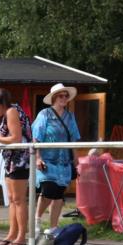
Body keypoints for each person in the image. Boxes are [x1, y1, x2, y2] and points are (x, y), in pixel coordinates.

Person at [0, 88, 33, 245]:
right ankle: (12, 234)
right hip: (11, 160)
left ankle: (21, 236)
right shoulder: (9, 112)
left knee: (19, 200)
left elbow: (16, 138)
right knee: (12, 199)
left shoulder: (12, 111)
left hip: (19, 160)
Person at [31, 83, 81, 234]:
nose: (64, 98)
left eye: (66, 96)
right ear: (54, 98)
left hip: (64, 162)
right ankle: (37, 220)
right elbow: (36, 138)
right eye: (61, 95)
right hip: (47, 161)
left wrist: (76, 158)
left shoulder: (70, 116)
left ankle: (53, 227)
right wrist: (38, 158)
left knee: (59, 194)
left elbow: (73, 139)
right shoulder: (44, 114)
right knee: (48, 191)